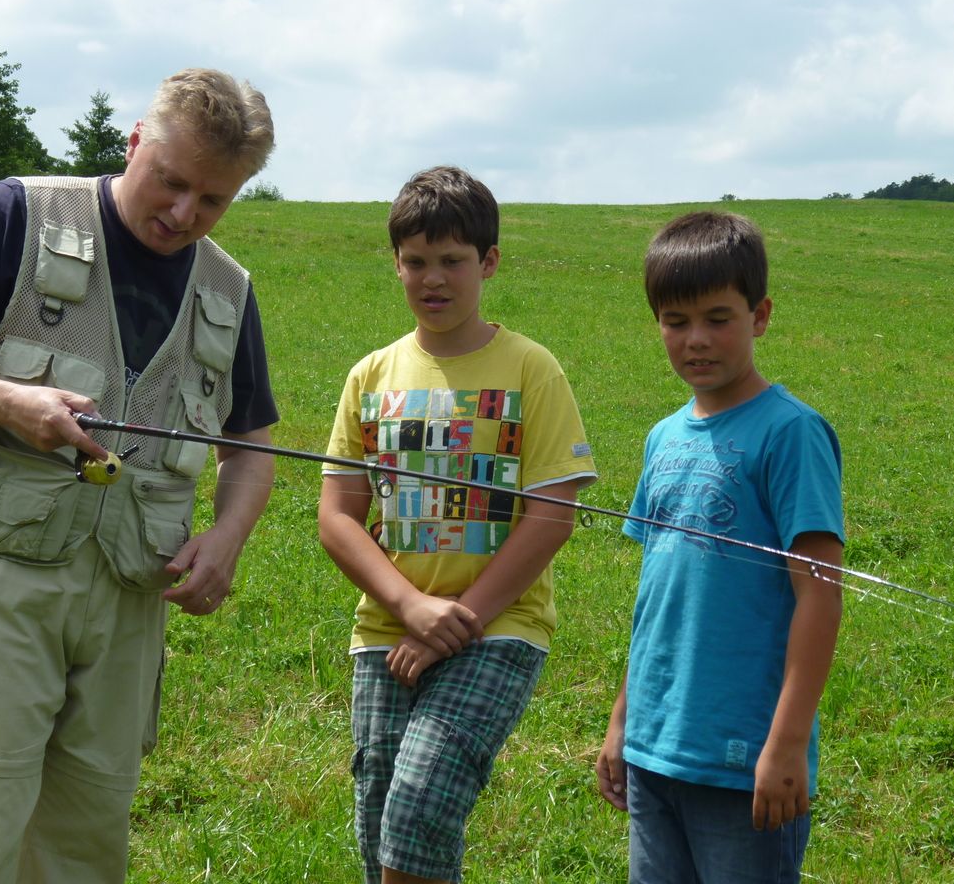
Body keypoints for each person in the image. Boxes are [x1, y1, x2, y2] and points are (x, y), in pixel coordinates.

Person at [0, 68, 279, 883]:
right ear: (134, 143)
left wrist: (228, 537)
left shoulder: (229, 291)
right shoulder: (17, 215)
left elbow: (252, 446)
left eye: (212, 200)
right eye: (170, 181)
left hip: (130, 597)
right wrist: (9, 402)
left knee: (85, 851)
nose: (183, 214)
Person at [318, 165, 598, 884]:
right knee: (379, 820)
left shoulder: (531, 368)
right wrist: (410, 607)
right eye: (416, 261)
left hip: (497, 626)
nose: (432, 279)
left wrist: (456, 620)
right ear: (396, 264)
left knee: (420, 804)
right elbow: (338, 518)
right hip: (387, 630)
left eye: (452, 260)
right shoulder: (371, 375)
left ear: (489, 262)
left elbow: (553, 514)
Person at [595, 211, 845, 884]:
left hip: (745, 759)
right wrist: (623, 722)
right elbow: (657, 600)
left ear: (760, 316)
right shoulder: (662, 437)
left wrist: (786, 743)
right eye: (676, 321)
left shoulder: (791, 433)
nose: (696, 339)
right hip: (656, 749)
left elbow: (820, 595)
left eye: (717, 318)